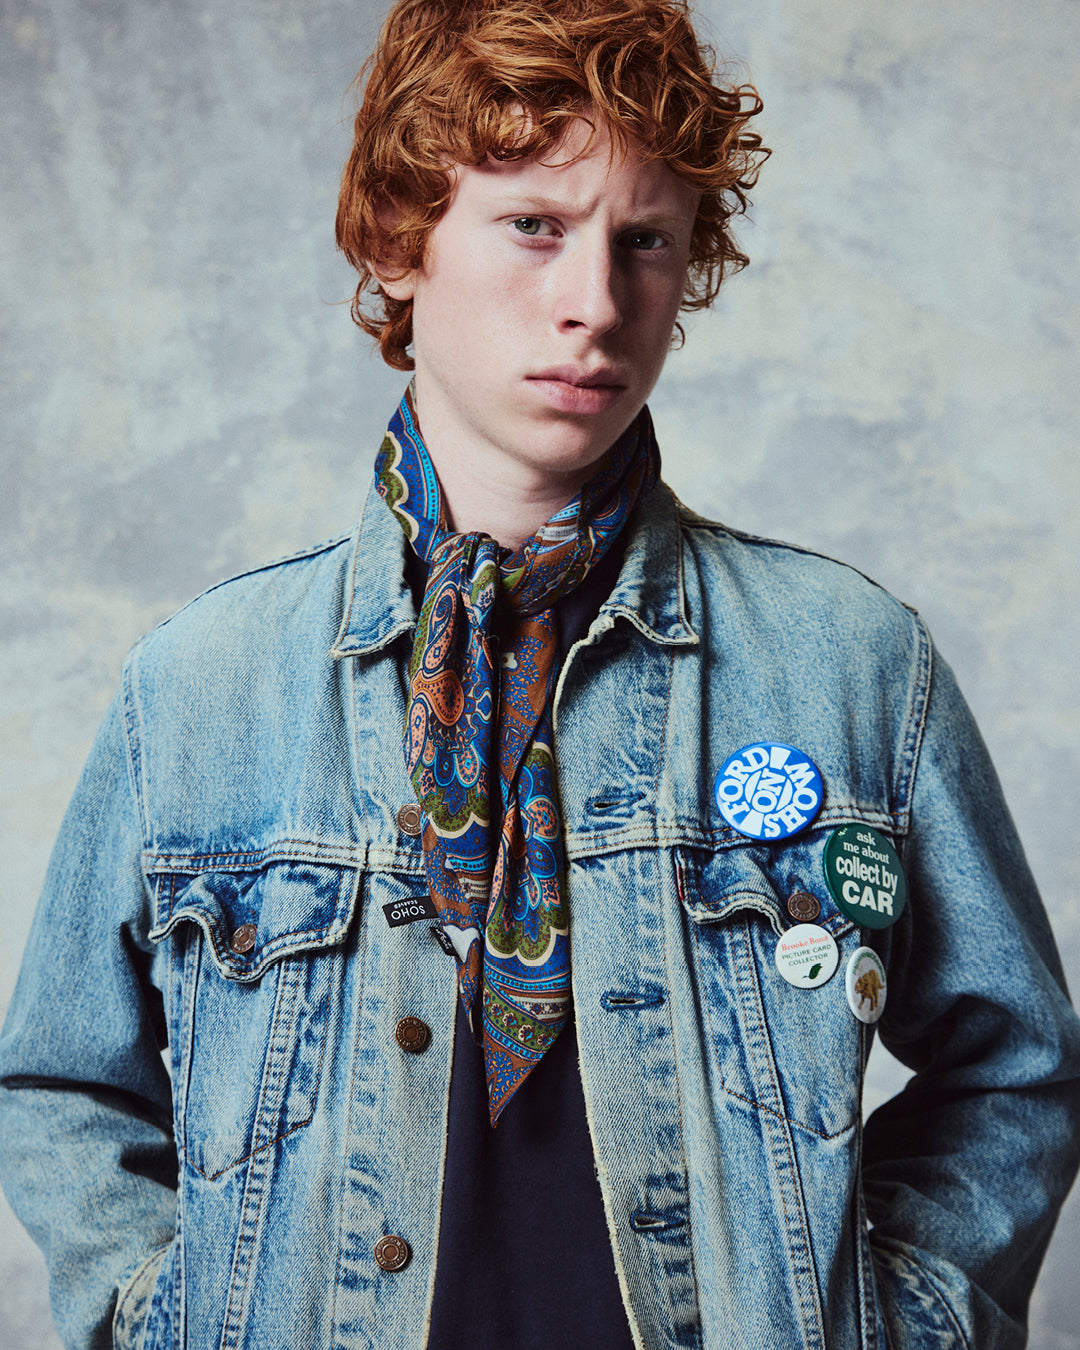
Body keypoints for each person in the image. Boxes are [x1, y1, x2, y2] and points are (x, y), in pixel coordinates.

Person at [1, 0, 1078, 1346]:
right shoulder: (201, 688)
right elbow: (59, 1081)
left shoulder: (852, 666)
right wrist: (166, 1321)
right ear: (401, 245)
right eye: (534, 226)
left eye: (645, 241)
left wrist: (904, 1320)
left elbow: (1016, 1068)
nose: (595, 302)